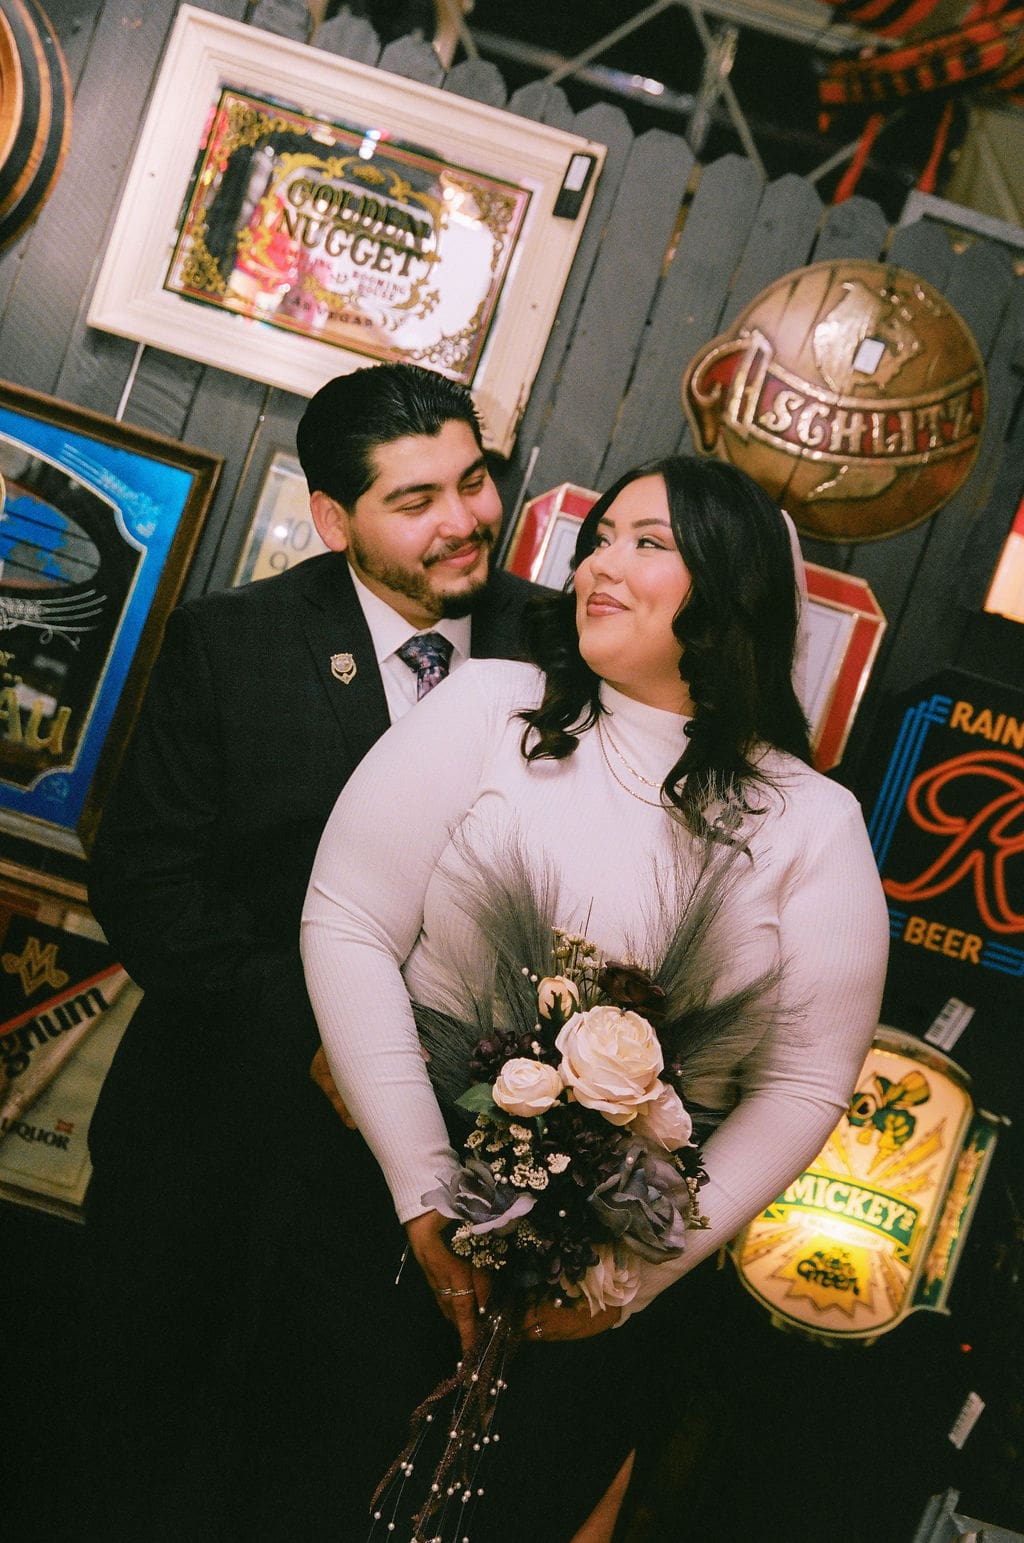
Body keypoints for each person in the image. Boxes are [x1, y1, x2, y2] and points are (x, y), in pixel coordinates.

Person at [300, 454, 891, 1542]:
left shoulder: (811, 823)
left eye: (648, 543)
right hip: (364, 1225)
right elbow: (345, 921)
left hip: (594, 1288)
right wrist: (425, 1191)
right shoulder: (490, 708)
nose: (599, 565)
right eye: (600, 538)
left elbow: (806, 1081)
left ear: (734, 587)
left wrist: (631, 1276)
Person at [81, 362, 541, 1540]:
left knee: (321, 1478)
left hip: (434, 1187)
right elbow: (149, 885)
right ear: (334, 520)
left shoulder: (557, 648)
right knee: (131, 1449)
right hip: (213, 1139)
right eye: (415, 499)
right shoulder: (233, 645)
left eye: (473, 481)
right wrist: (336, 1034)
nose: (462, 521)